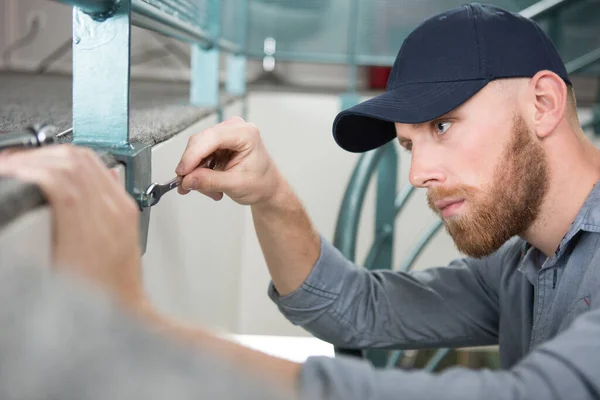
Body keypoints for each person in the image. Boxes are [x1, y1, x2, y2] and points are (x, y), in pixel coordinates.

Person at [1, 2, 599, 399]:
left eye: (442, 126)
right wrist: (269, 195)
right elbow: (359, 311)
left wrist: (132, 332)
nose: (419, 173)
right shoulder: (523, 260)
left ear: (543, 105)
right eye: (408, 145)